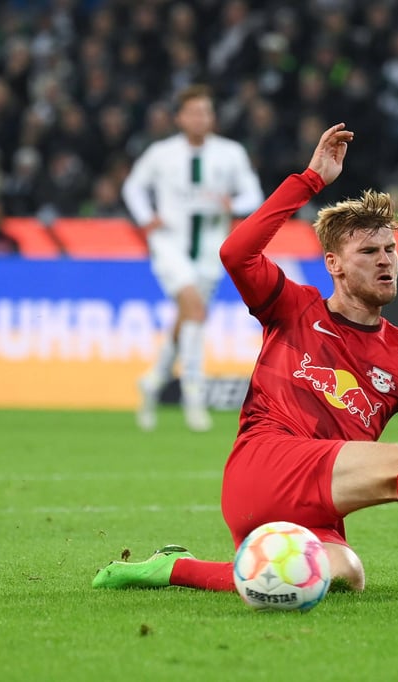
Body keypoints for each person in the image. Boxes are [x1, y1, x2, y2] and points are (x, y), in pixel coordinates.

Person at [93, 123, 398, 598]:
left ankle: (174, 569)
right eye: (369, 252)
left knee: (341, 574)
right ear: (333, 263)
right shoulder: (294, 308)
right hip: (263, 468)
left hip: (319, 501)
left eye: (391, 250)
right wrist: (310, 180)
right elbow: (235, 252)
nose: (386, 262)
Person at [122, 84, 265, 432]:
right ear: (180, 118)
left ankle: (153, 380)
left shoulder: (230, 153)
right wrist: (146, 219)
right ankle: (194, 395)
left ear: (212, 116)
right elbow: (132, 187)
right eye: (193, 112)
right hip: (170, 244)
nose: (200, 118)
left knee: (188, 317)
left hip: (211, 250)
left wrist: (236, 205)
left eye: (206, 111)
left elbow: (254, 194)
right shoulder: (161, 153)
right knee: (195, 309)